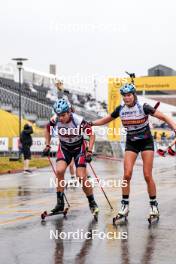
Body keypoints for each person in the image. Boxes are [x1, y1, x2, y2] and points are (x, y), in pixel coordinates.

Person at [88, 83, 176, 221]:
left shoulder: (144, 107)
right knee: (127, 174)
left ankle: (153, 205)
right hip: (132, 143)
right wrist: (91, 123)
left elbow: (164, 117)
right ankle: (125, 205)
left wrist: (175, 128)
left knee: (147, 175)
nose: (127, 98)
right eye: (124, 96)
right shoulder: (121, 109)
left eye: (129, 95)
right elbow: (106, 119)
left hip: (146, 142)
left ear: (134, 95)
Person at [42, 98, 98, 216]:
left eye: (63, 115)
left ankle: (92, 202)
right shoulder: (55, 120)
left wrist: (89, 151)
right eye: (59, 115)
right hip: (65, 148)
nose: (60, 118)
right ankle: (60, 203)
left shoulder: (78, 120)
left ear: (69, 112)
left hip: (79, 149)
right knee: (59, 171)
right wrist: (47, 145)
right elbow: (47, 130)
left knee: (81, 177)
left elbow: (91, 134)